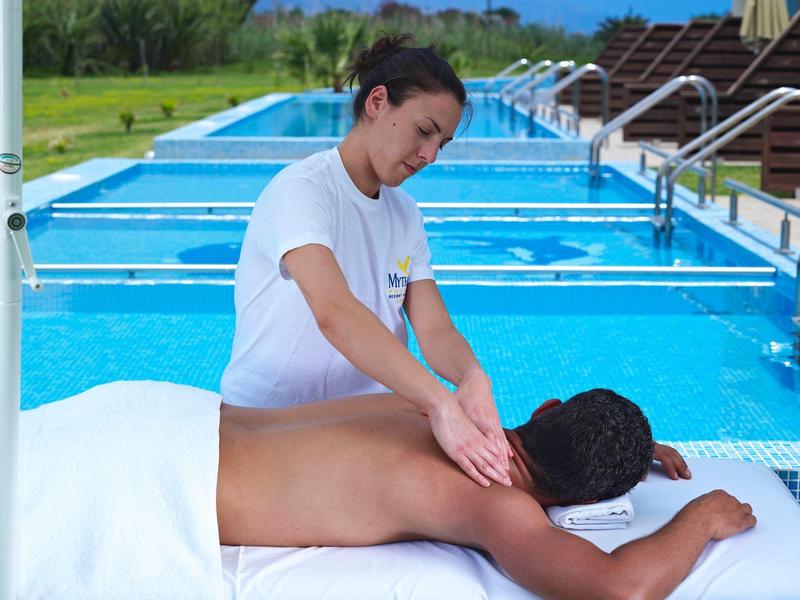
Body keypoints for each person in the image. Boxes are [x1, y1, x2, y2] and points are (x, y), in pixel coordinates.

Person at [221, 33, 513, 488]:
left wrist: (473, 378)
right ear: (378, 102)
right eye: (424, 131)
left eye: (443, 143)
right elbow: (334, 312)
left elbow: (435, 331)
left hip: (363, 428)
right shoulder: (302, 190)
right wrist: (440, 403)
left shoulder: (405, 214)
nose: (431, 155)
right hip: (263, 426)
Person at [217, 387, 755, 599]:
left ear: (546, 409)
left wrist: (626, 447)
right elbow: (620, 590)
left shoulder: (443, 407)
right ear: (586, 503)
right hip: (162, 484)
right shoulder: (496, 502)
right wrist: (700, 518)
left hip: (174, 417)